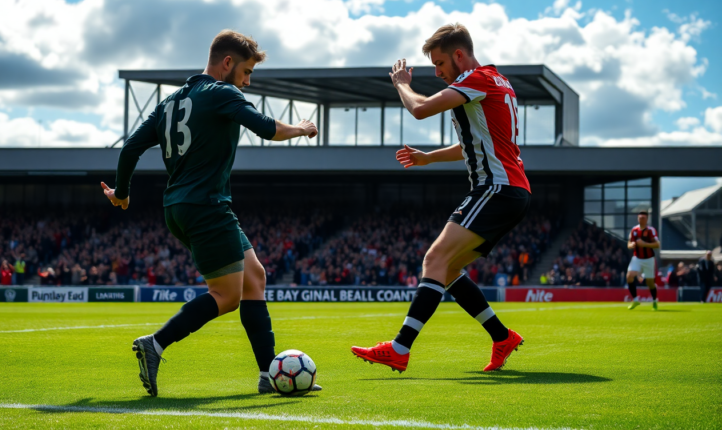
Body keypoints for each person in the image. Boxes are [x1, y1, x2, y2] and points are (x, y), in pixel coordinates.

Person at [102, 30, 321, 397]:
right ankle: (155, 344)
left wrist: (122, 194)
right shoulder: (222, 93)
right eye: (247, 72)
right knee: (227, 295)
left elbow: (129, 149)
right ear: (227, 63)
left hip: (181, 205)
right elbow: (266, 128)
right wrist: (301, 128)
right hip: (207, 205)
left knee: (255, 277)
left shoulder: (169, 102)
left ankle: (269, 376)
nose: (248, 81)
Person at [351, 23, 530, 373]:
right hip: (510, 190)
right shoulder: (497, 81)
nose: (437, 73)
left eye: (440, 64)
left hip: (496, 189)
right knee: (446, 269)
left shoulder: (475, 79)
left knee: (434, 259)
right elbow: (480, 144)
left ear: (459, 55)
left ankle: (400, 348)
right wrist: (429, 157)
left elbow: (419, 109)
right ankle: (501, 337)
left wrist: (403, 84)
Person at [626, 211, 661, 310]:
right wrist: (631, 245)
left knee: (650, 283)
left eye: (643, 218)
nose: (641, 219)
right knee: (629, 276)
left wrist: (644, 244)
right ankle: (635, 300)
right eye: (640, 218)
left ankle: (654, 301)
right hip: (637, 258)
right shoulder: (634, 230)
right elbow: (629, 243)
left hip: (649, 259)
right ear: (638, 218)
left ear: (647, 219)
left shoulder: (651, 230)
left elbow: (657, 244)